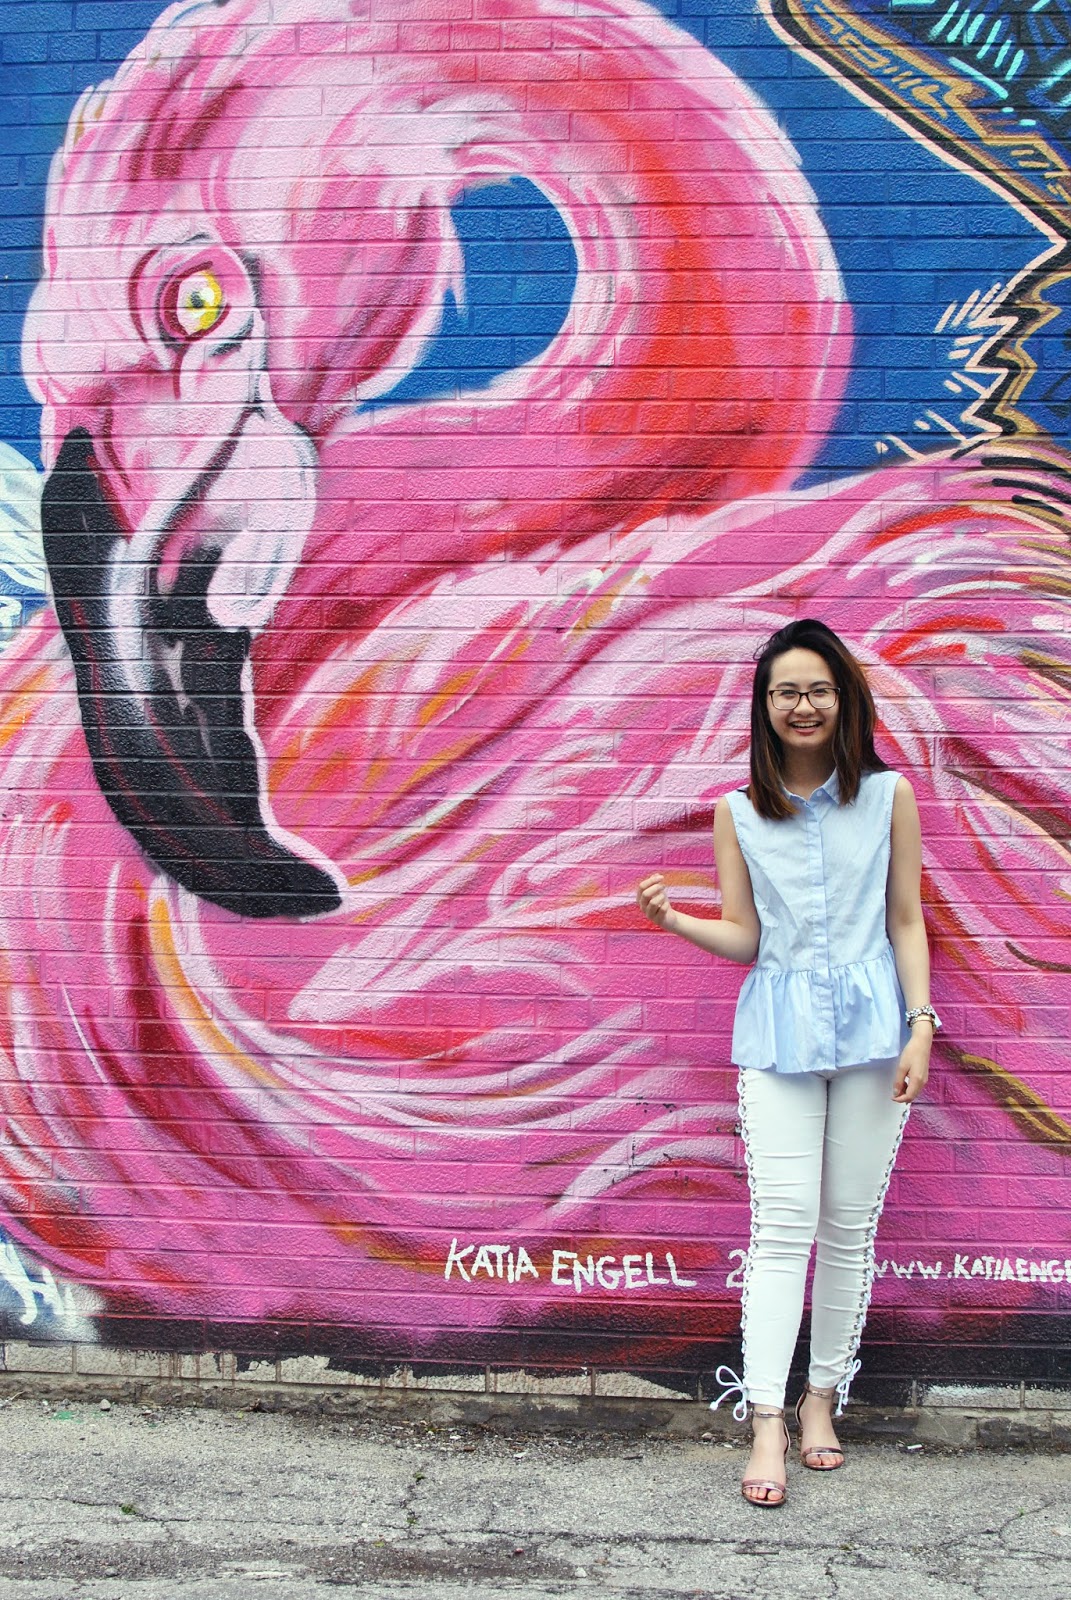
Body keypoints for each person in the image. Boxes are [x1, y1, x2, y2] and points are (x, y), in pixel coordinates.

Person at [636, 618, 936, 1508]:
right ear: (763, 707)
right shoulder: (737, 812)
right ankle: (765, 1415)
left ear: (842, 698)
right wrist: (675, 921)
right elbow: (746, 935)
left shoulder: (888, 797)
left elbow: (905, 919)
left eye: (816, 689)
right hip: (777, 1039)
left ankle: (819, 1401)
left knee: (847, 1227)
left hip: (876, 1038)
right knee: (780, 1226)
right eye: (784, 692)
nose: (801, 706)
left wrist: (920, 1024)